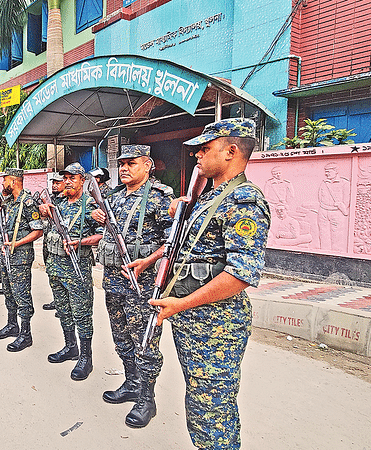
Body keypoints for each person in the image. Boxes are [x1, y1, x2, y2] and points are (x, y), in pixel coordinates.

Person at [150, 118, 270, 450]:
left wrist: (181, 304)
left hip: (217, 326)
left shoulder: (244, 200)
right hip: (195, 322)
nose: (197, 155)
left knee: (213, 415)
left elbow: (240, 274)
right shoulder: (209, 196)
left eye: (205, 149)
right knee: (200, 406)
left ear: (231, 151)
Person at [90, 145, 174, 428]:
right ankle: (131, 383)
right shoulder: (114, 197)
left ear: (147, 165)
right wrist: (97, 217)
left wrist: (147, 261)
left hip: (142, 284)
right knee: (121, 337)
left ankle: (146, 399)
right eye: (121, 163)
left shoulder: (160, 198)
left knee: (145, 342)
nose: (124, 168)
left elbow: (172, 243)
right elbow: (105, 226)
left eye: (131, 163)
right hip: (113, 279)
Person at [39, 162, 103, 381]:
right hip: (55, 267)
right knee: (63, 310)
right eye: (65, 178)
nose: (67, 181)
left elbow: (104, 235)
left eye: (72, 178)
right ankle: (70, 346)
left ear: (82, 181)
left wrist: (81, 242)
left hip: (77, 269)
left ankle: (86, 358)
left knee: (81, 314)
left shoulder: (91, 206)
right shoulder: (60, 204)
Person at [0, 168, 44, 351]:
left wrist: (17, 243)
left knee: (21, 294)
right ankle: (12, 324)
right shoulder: (8, 202)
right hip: (5, 254)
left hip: (20, 256)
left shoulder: (27, 203)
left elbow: (38, 231)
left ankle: (25, 334)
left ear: (13, 181)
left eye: (5, 180)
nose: (2, 184)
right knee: (8, 291)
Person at [41, 173, 66, 311]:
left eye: (58, 183)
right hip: (49, 242)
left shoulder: (65, 200)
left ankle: (64, 305)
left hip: (63, 244)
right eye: (53, 183)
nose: (55, 185)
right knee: (52, 274)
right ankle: (57, 300)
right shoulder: (51, 199)